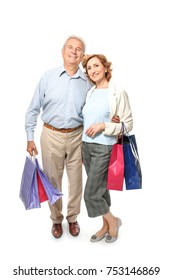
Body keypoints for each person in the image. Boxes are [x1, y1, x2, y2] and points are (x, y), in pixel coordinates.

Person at [25, 35, 92, 238]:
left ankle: (72, 218)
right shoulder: (48, 77)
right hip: (51, 135)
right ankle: (56, 219)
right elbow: (33, 109)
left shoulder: (88, 81)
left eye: (79, 49)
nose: (74, 51)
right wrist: (30, 137)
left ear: (82, 55)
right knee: (53, 180)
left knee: (76, 181)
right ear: (62, 51)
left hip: (77, 136)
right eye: (70, 47)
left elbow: (98, 107)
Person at [81, 54, 133, 243]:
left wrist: (104, 126)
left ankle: (114, 221)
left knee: (91, 194)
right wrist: (80, 147)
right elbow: (85, 120)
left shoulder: (117, 92)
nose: (92, 70)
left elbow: (128, 124)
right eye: (88, 68)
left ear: (105, 67)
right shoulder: (90, 92)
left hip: (105, 148)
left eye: (96, 65)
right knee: (100, 190)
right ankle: (105, 225)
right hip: (86, 146)